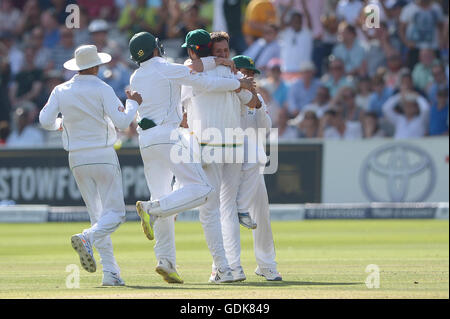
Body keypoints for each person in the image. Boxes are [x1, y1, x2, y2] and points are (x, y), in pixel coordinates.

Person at [129, 31, 254, 284]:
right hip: (169, 136)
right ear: (156, 49)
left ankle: (166, 261)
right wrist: (237, 82)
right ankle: (153, 210)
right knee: (203, 190)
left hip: (146, 141)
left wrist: (215, 63)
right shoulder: (167, 68)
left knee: (163, 194)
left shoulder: (136, 74)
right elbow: (203, 82)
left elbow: (193, 68)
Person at [39, 44, 142, 286]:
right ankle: (88, 237)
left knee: (98, 215)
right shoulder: (102, 88)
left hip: (76, 158)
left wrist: (59, 124)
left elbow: (45, 121)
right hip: (103, 154)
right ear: (96, 65)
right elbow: (124, 122)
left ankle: (111, 273)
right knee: (115, 214)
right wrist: (134, 103)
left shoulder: (60, 89)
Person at [180, 30, 258, 283]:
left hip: (213, 146)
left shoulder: (213, 72)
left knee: (215, 210)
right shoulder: (218, 72)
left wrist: (237, 78)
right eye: (219, 52)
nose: (224, 55)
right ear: (210, 52)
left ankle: (225, 268)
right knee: (223, 209)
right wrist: (236, 79)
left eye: (226, 51)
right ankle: (228, 267)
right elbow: (252, 101)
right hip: (227, 146)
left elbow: (253, 101)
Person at [229, 54, 282, 281]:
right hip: (229, 163)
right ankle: (227, 265)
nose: (249, 77)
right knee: (226, 215)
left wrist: (258, 104)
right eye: (245, 72)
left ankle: (266, 265)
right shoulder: (225, 95)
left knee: (261, 214)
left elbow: (266, 128)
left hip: (252, 166)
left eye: (252, 74)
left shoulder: (258, 97)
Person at [278, 0, 313, 74]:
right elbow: (281, 21)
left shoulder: (307, 33)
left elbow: (309, 20)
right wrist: (289, 6)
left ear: (301, 21)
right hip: (286, 70)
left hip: (303, 72)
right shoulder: (286, 32)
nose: (296, 22)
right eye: (294, 20)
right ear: (291, 21)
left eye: (298, 20)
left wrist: (304, 5)